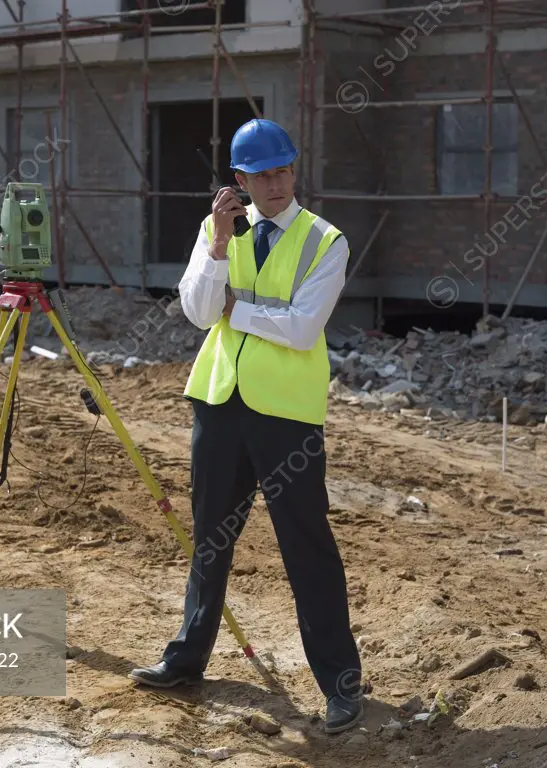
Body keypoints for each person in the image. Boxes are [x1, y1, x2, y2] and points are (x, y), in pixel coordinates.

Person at [128, 118, 364, 734]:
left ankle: (341, 686)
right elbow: (199, 311)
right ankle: (186, 658)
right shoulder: (219, 233)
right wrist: (215, 247)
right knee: (209, 539)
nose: (277, 183)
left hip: (286, 414)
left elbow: (302, 328)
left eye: (284, 170)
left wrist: (237, 306)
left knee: (306, 547)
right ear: (240, 181)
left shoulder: (324, 241)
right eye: (263, 175)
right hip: (218, 402)